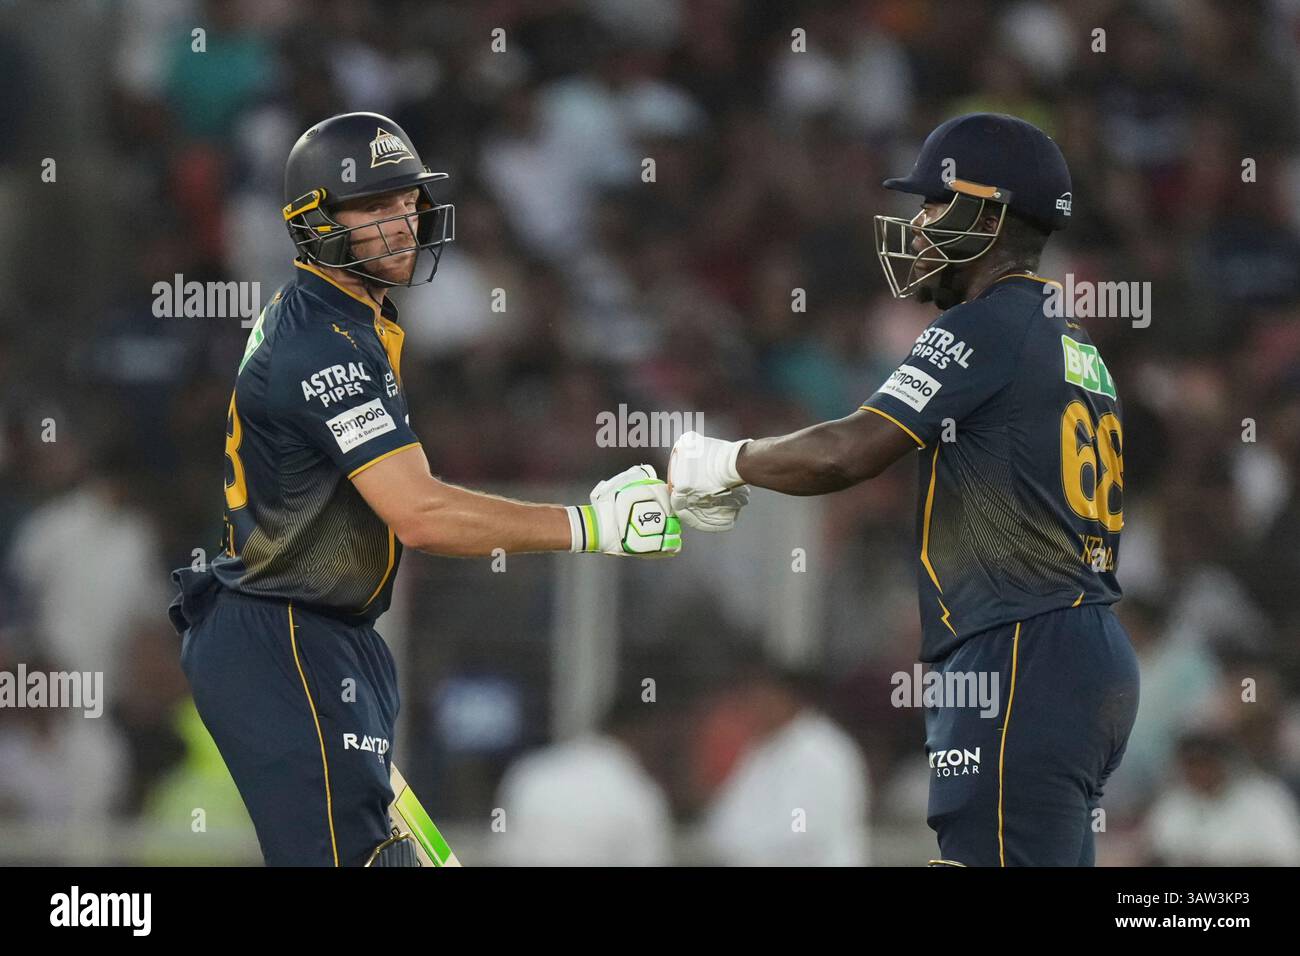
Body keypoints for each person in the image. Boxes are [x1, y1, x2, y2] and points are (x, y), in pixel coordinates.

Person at [166, 112, 681, 867]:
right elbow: (422, 513)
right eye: (373, 207)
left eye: (405, 201)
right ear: (314, 223)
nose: (401, 222)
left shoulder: (351, 323)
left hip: (322, 638)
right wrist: (590, 524)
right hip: (284, 637)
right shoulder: (322, 341)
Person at [669, 113, 1140, 866]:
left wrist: (725, 461)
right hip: (1076, 648)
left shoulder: (989, 324)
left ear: (986, 215)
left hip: (1018, 649)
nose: (915, 226)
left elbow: (848, 453)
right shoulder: (1071, 337)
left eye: (932, 205)